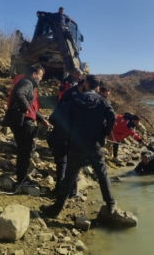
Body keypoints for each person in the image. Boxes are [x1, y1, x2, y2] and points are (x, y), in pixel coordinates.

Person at [41, 75, 117, 218]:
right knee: (102, 175)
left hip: (76, 145)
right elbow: (112, 117)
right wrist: (105, 133)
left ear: (86, 84)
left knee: (69, 176)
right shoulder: (103, 101)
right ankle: (110, 203)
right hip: (95, 145)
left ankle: (56, 209)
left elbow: (59, 117)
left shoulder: (75, 100)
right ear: (98, 87)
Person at [3, 64, 49, 187]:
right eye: (40, 76)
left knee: (23, 150)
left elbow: (33, 106)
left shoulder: (28, 84)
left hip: (19, 121)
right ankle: (22, 180)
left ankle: (21, 176)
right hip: (23, 122)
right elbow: (19, 94)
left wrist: (41, 119)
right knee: (25, 151)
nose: (41, 79)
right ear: (34, 75)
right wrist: (26, 109)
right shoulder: (27, 83)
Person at [47, 78, 85, 197]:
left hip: (59, 136)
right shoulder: (78, 100)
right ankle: (71, 191)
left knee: (62, 163)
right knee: (71, 164)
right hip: (69, 138)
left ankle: (61, 190)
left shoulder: (66, 98)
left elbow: (52, 118)